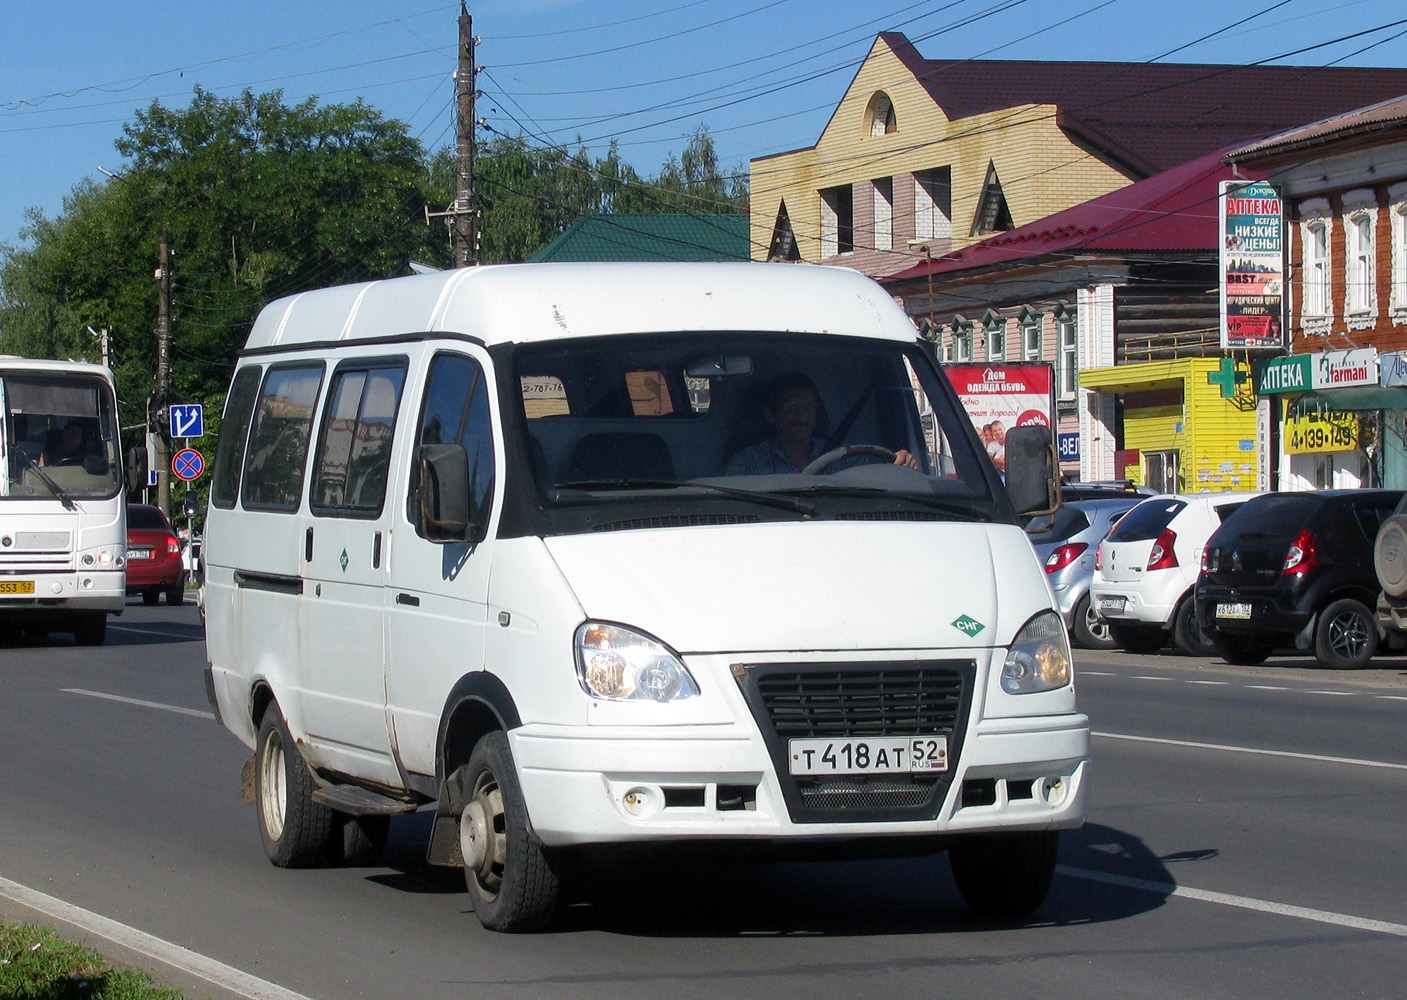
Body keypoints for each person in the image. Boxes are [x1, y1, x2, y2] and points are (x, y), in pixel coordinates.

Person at [725, 372, 917, 474]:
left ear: (816, 411)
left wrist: (901, 462)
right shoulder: (745, 466)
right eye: (790, 406)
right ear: (771, 415)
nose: (799, 413)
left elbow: (881, 473)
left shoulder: (845, 458)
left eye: (807, 405)